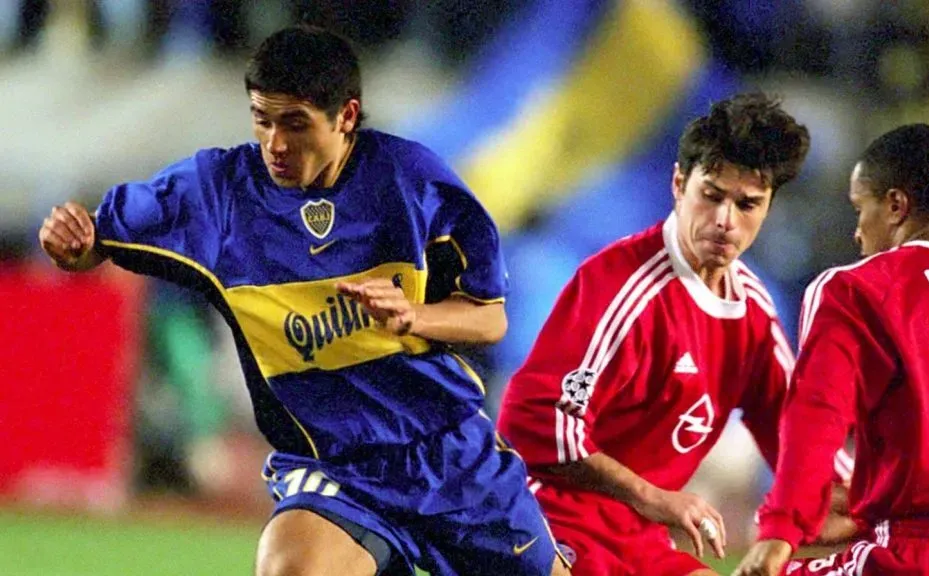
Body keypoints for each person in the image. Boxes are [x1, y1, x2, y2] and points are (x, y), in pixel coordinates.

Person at [37, 25, 569, 576]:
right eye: (262, 120)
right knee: (291, 567)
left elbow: (489, 318)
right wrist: (74, 244)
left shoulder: (412, 182)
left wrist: (415, 316)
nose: (275, 144)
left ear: (346, 116)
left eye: (295, 123)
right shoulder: (219, 194)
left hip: (448, 457)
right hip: (334, 468)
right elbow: (96, 239)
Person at [497, 93, 851, 576]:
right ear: (679, 184)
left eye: (747, 204)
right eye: (712, 195)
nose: (725, 220)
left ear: (767, 208)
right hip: (550, 522)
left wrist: (880, 502)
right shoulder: (620, 284)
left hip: (639, 541)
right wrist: (652, 497)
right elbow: (532, 421)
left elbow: (799, 437)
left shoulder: (754, 311)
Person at [733, 124, 929, 576]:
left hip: (912, 558)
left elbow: (816, 416)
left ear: (894, 206)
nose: (856, 231)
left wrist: (780, 530)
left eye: (859, 208)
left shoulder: (857, 289)